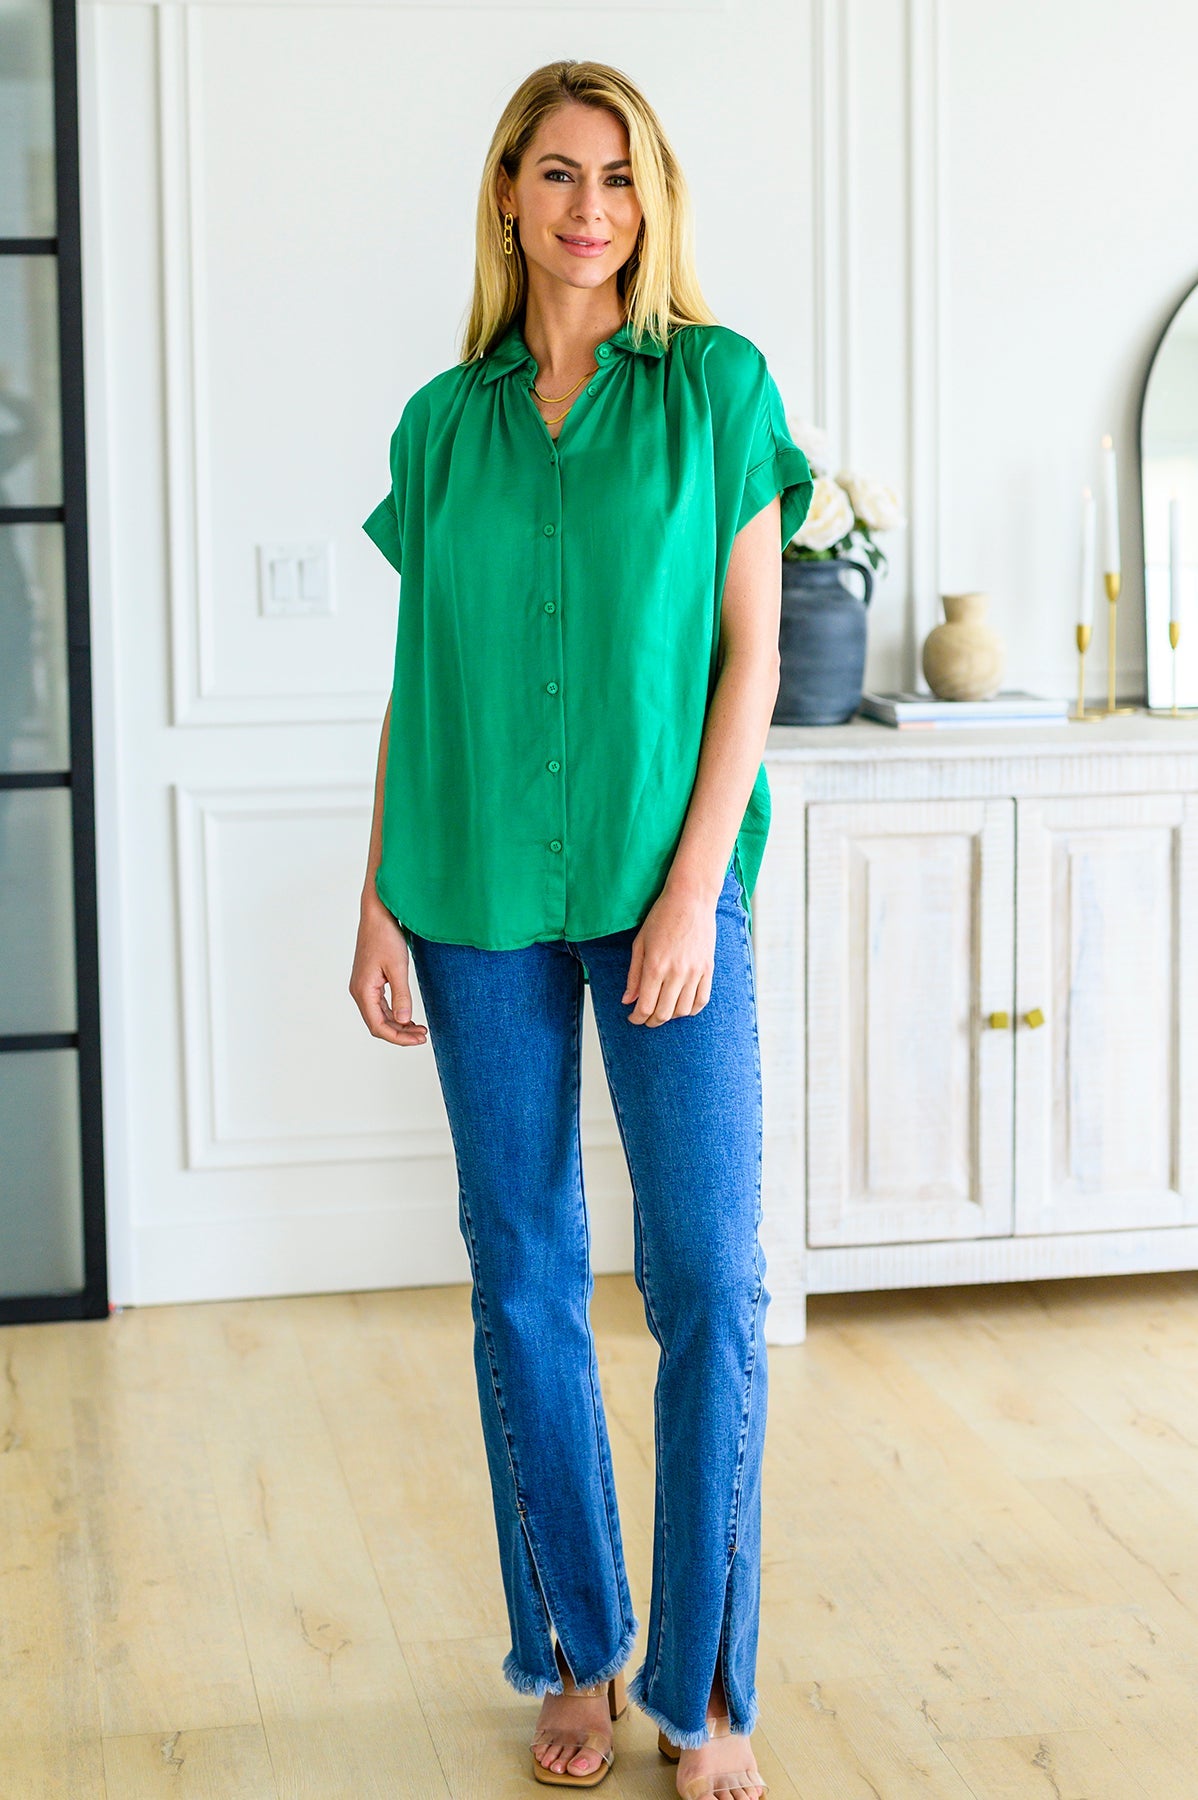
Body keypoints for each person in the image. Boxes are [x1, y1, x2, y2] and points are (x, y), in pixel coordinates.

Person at [349, 59, 812, 1799]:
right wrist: (377, 894)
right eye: (557, 173)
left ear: (651, 200)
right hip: (470, 895)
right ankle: (570, 1652)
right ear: (508, 194)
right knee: (524, 1277)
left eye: (618, 177)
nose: (589, 207)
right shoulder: (440, 424)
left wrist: (694, 890)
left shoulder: (716, 388)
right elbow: (421, 684)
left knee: (708, 1280)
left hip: (660, 888)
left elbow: (752, 660)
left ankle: (703, 1692)